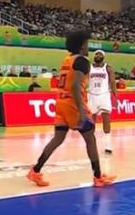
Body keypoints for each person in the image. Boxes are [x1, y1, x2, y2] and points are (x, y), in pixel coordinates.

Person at [27, 30, 116, 188]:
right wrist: (81, 111)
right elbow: (75, 85)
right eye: (86, 44)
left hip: (60, 102)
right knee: (90, 139)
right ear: (82, 46)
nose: (88, 47)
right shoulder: (82, 61)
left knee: (57, 139)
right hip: (73, 104)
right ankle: (98, 177)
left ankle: (35, 171)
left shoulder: (66, 60)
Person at [88, 50, 117, 154]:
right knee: (91, 121)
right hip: (92, 95)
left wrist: (115, 96)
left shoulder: (108, 68)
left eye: (100, 54)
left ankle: (108, 145)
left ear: (103, 57)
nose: (98, 56)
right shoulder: (89, 67)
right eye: (96, 54)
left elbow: (112, 82)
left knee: (106, 119)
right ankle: (91, 143)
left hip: (104, 95)